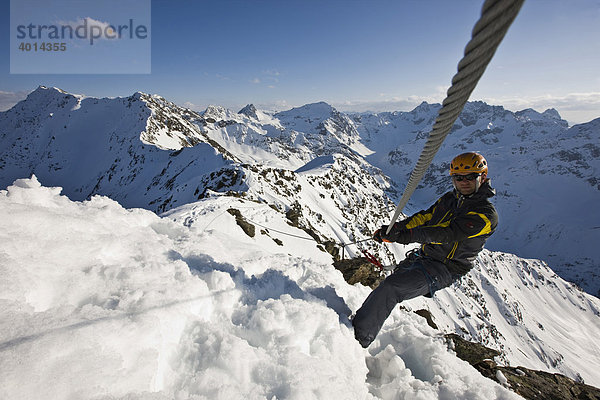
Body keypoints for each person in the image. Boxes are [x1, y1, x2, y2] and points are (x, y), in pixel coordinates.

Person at [352, 152, 498, 348]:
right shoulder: (450, 199)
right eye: (458, 177)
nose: (464, 182)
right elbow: (426, 217)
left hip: (446, 268)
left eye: (470, 176)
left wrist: (406, 236)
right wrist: (396, 228)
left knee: (392, 288)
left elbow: (447, 233)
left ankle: (357, 339)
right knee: (389, 284)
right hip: (424, 257)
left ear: (483, 176)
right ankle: (364, 324)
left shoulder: (486, 215)